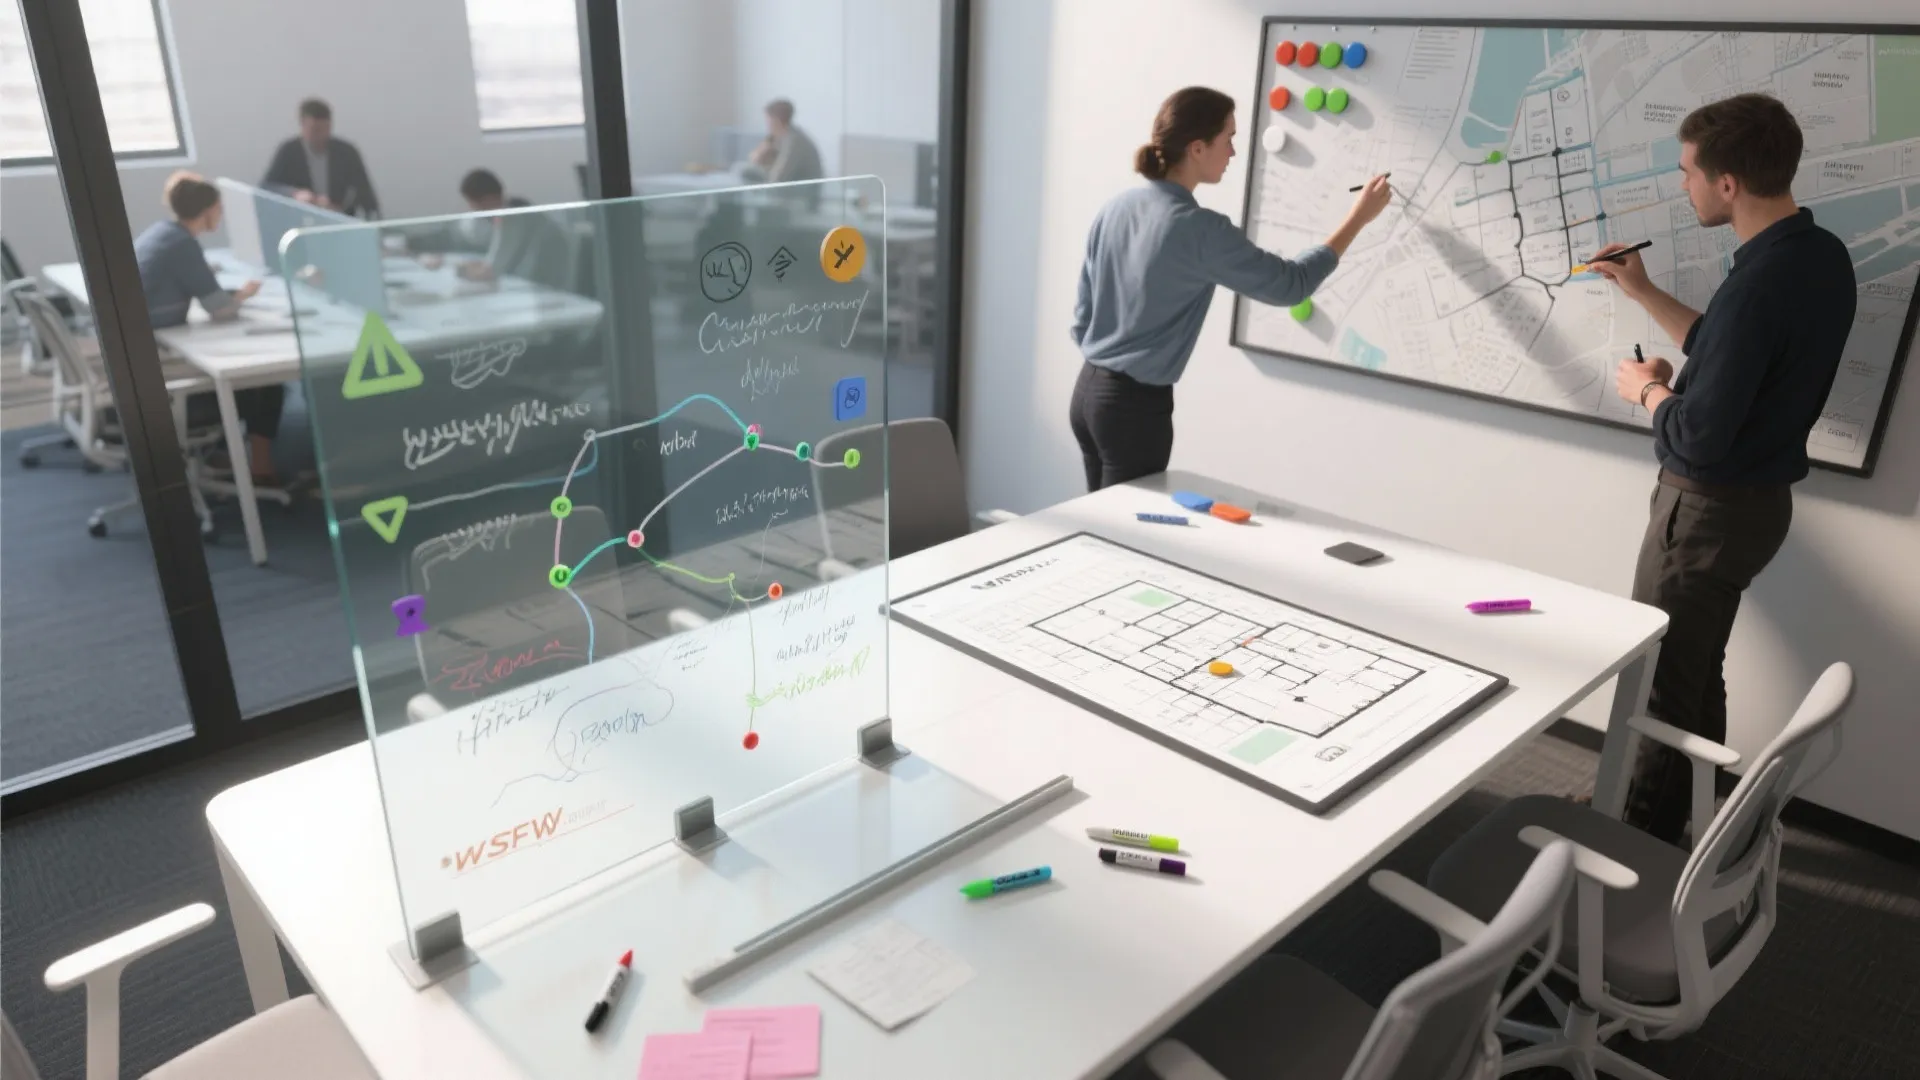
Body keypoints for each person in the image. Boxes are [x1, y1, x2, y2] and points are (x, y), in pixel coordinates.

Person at [1594, 93, 1856, 845]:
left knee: (1660, 684)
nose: (1684, 186)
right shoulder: (1816, 255)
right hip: (1755, 508)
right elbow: (1730, 349)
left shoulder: (1757, 284)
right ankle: (1685, 822)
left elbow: (1701, 432)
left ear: (1728, 183)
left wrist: (1647, 391)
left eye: (1688, 173)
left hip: (1703, 511)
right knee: (1692, 670)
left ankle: (1634, 841)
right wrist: (1642, 292)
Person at [1068, 86, 1393, 491]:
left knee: (1098, 534)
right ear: (1198, 148)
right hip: (1133, 410)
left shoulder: (1117, 206)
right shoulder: (1199, 228)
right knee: (1127, 542)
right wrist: (1359, 218)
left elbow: (1082, 317)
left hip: (1087, 394)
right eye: (1229, 139)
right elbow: (1292, 286)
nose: (1234, 152)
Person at [132, 172, 283, 484]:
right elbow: (221, 310)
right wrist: (245, 295)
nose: (221, 214)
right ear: (208, 211)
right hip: (161, 366)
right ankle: (260, 466)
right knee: (267, 379)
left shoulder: (163, 233)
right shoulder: (183, 246)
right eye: (219, 208)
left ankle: (225, 454)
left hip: (140, 354)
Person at [445, 169, 573, 291]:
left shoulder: (511, 217)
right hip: (543, 283)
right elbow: (493, 261)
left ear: (487, 199)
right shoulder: (515, 211)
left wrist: (458, 270)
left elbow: (491, 272)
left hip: (546, 287)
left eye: (473, 204)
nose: (473, 209)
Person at [262, 98, 380, 217]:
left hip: (339, 220)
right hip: (299, 219)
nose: (320, 136)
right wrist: (294, 194)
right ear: (302, 126)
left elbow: (366, 196)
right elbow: (267, 187)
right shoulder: (289, 151)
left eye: (326, 129)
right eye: (314, 130)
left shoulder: (347, 153)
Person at [749, 99, 823, 184]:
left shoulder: (794, 141)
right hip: (789, 189)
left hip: (800, 194)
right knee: (744, 171)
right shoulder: (780, 138)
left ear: (776, 120)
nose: (767, 124)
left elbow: (778, 178)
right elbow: (755, 161)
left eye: (768, 120)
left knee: (748, 175)